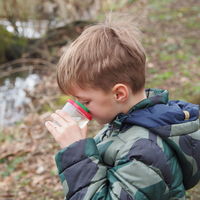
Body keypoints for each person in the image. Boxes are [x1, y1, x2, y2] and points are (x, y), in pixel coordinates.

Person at [45, 15, 200, 200]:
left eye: (85, 102)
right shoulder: (125, 122)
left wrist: (77, 153)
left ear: (118, 94)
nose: (81, 108)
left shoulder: (145, 151)